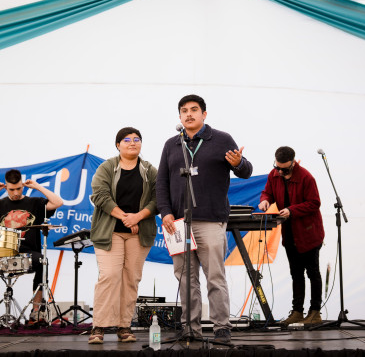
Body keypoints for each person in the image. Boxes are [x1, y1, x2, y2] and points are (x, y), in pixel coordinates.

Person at [156, 94, 253, 343]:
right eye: (184, 111)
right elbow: (162, 183)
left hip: (210, 219)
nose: (189, 114)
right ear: (179, 116)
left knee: (214, 277)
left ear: (204, 114)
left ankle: (222, 327)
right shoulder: (171, 144)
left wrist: (239, 162)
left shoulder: (221, 139)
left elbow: (245, 171)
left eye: (194, 110)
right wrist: (165, 211)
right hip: (177, 223)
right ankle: (190, 328)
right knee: (186, 279)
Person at [89, 127, 157, 344]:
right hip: (110, 232)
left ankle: (124, 326)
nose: (132, 143)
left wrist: (137, 218)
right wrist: (125, 217)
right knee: (109, 276)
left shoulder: (149, 170)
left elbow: (157, 200)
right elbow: (100, 195)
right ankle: (98, 326)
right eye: (126, 140)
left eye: (137, 139)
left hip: (139, 233)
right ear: (118, 144)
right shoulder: (107, 167)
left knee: (131, 279)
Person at [258, 146, 324, 326]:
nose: (280, 172)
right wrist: (265, 199)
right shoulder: (274, 174)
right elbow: (268, 192)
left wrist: (291, 210)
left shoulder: (306, 177)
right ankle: (297, 312)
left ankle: (315, 312)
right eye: (277, 167)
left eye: (284, 169)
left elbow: (314, 203)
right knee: (296, 274)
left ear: (293, 163)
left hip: (309, 233)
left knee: (313, 273)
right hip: (290, 233)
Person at [0, 169, 63, 323]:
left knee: (43, 262)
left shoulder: (34, 203)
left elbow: (58, 202)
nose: (15, 192)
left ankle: (36, 311)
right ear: (6, 187)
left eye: (18, 188)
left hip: (28, 253)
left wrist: (38, 187)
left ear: (22, 185)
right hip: (3, 253)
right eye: (11, 189)